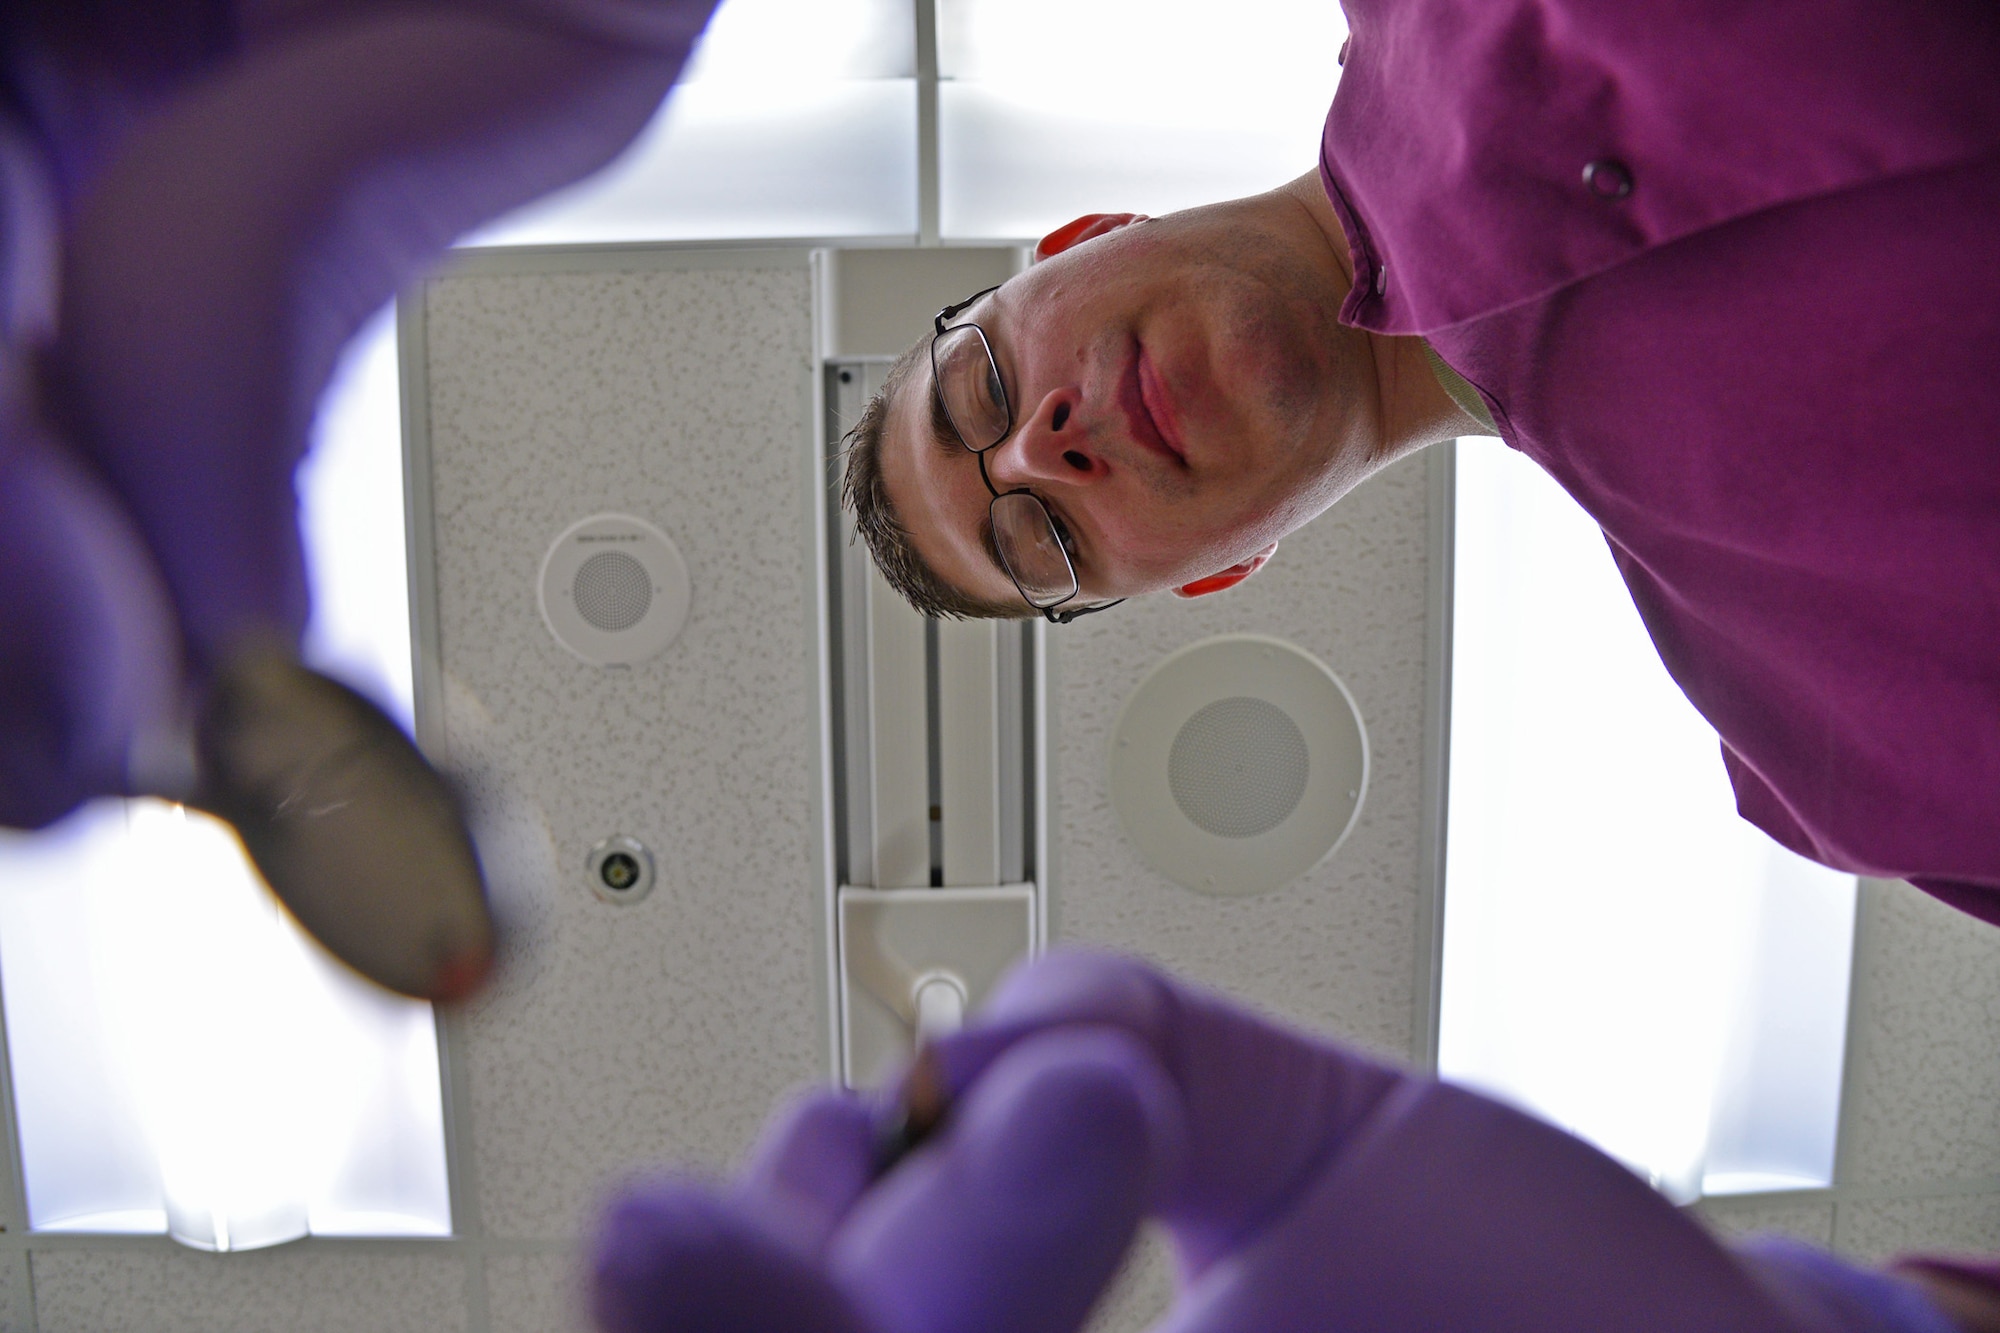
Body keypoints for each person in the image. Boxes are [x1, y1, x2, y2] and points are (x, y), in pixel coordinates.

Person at [839, 0, 2000, 927]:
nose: (1041, 447)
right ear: (1212, 574)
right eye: (1039, 538)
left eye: (979, 387)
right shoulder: (1834, 738)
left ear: (1082, 242)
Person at [0, 0, 718, 996]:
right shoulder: (610, 48)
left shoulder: (610, 43)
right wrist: (244, 633)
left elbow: (181, 261)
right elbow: (178, 265)